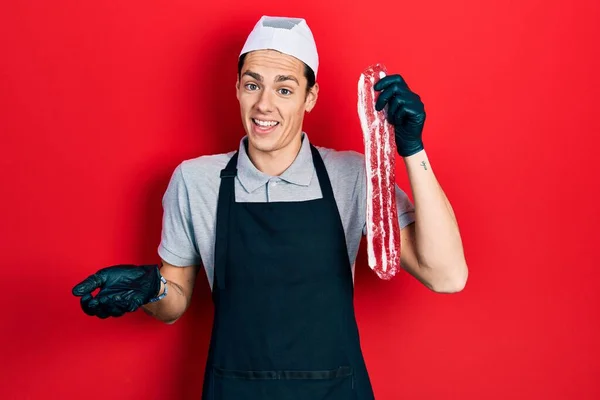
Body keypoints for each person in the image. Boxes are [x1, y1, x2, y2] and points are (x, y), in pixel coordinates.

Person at [72, 15, 468, 399]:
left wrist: (412, 149)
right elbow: (174, 303)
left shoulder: (352, 177)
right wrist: (151, 288)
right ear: (237, 90)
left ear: (310, 97)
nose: (264, 105)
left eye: (284, 89)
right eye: (252, 85)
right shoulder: (195, 181)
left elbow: (446, 276)